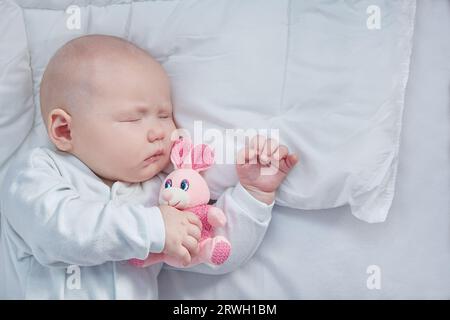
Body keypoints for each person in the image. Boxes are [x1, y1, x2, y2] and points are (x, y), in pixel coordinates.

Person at [0, 35, 298, 299]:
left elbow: (215, 252)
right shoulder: (37, 174)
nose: (159, 132)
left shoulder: (161, 193)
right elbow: (58, 233)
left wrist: (254, 195)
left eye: (164, 115)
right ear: (65, 130)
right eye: (133, 118)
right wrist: (154, 227)